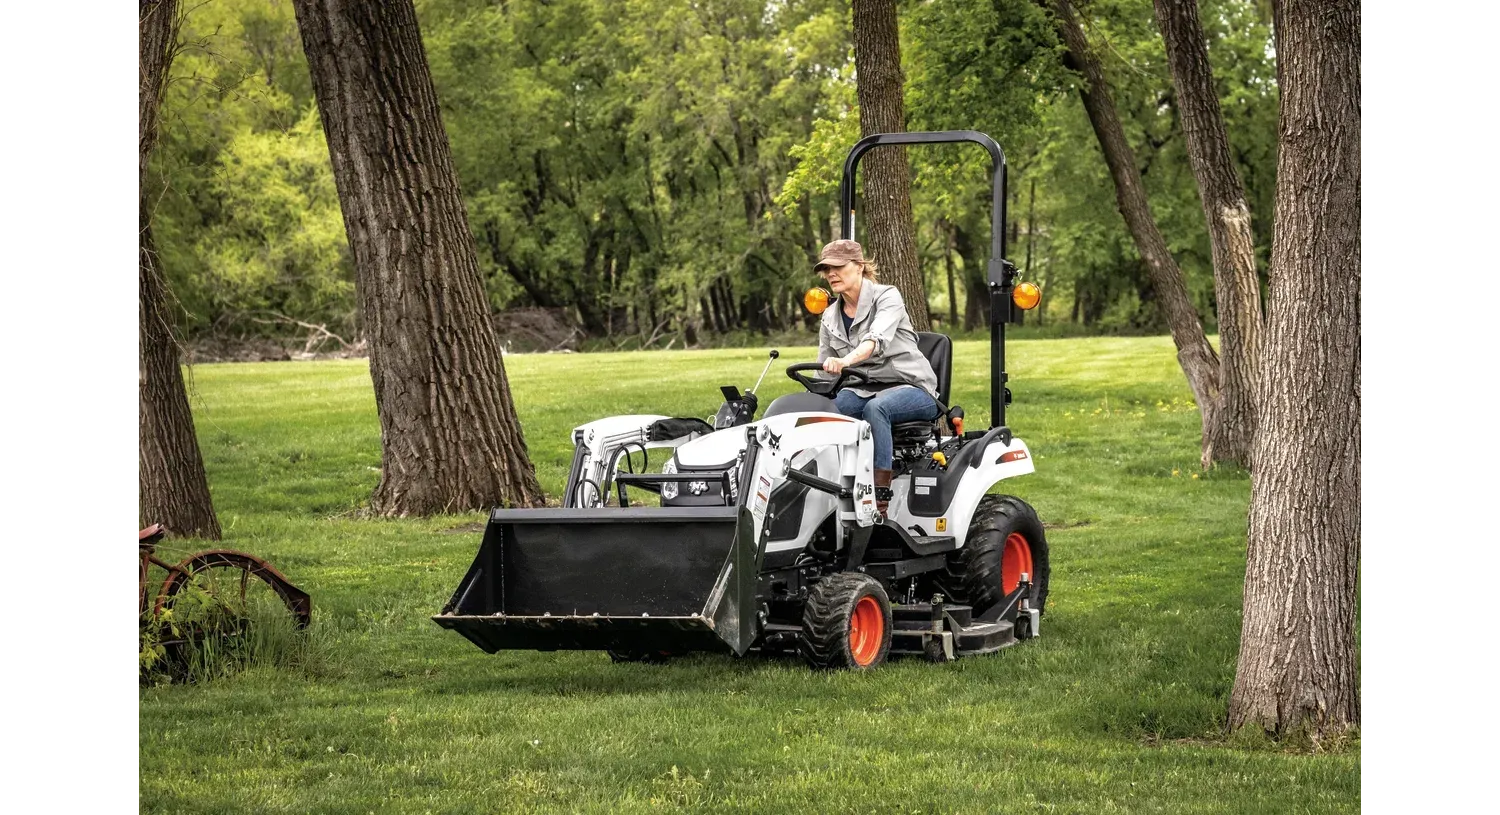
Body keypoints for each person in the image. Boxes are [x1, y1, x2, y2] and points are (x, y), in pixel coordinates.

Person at [812, 239, 940, 516]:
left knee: (876, 408)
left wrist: (845, 361)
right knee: (834, 409)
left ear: (859, 267)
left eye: (838, 266)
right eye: (826, 269)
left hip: (911, 387)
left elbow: (876, 339)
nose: (831, 274)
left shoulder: (887, 297)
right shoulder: (829, 317)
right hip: (862, 387)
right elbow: (822, 368)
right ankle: (827, 485)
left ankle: (879, 495)